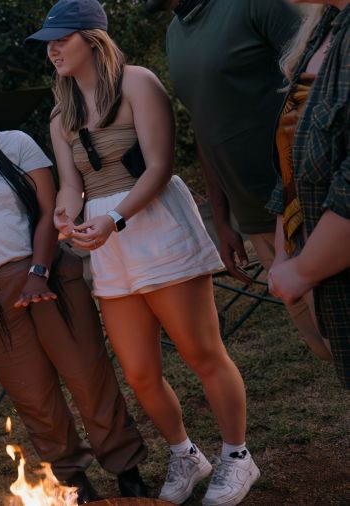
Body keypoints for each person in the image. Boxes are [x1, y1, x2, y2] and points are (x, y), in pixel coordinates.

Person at [30, 1, 258, 505]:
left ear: (92, 39)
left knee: (202, 353)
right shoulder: (61, 113)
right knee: (138, 372)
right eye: (48, 42)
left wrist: (114, 218)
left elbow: (159, 166)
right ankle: (185, 454)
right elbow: (71, 184)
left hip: (154, 223)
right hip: (109, 243)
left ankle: (238, 455)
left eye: (61, 39)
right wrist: (66, 216)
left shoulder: (137, 82)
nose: (52, 50)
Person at [0, 74, 148, 503]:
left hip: (49, 272)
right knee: (32, 394)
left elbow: (48, 211)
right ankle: (75, 481)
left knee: (87, 374)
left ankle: (126, 467)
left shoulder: (16, 144)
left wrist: (39, 270)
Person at [146, 0, 329, 361]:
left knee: (338, 332)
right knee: (321, 345)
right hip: (255, 218)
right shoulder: (174, 34)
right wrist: (222, 217)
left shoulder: (251, 4)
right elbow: (204, 125)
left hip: (308, 202)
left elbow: (322, 80)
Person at [268, 0, 350, 389]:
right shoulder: (325, 27)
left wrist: (303, 270)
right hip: (320, 261)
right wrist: (285, 247)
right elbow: (294, 156)